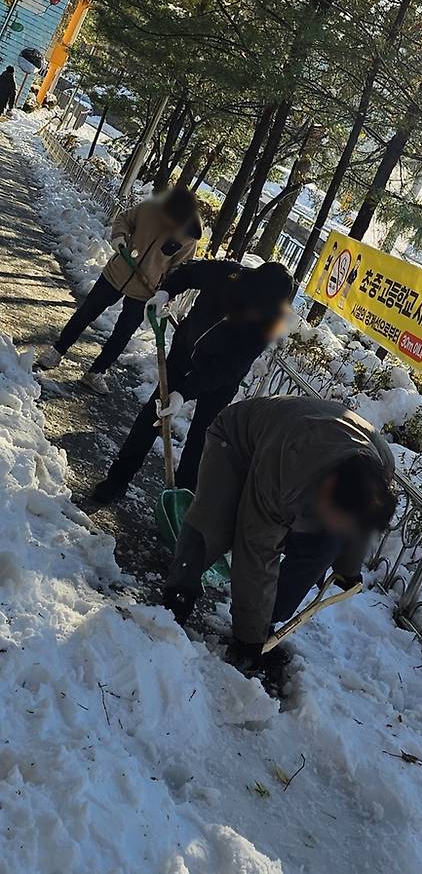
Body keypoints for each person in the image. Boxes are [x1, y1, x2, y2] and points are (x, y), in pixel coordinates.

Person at [163, 395, 397, 676]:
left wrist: (348, 568)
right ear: (328, 488)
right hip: (238, 442)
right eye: (338, 517)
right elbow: (257, 549)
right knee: (216, 521)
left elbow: (357, 525)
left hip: (303, 445)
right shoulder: (288, 469)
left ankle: (267, 620)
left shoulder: (378, 472)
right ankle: (180, 590)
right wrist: (248, 639)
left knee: (324, 545)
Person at [90, 259, 294, 503]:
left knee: (202, 437)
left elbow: (230, 369)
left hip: (218, 379)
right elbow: (188, 272)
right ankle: (117, 480)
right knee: (152, 416)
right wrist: (164, 293)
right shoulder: (228, 275)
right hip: (184, 355)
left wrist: (183, 393)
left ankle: (184, 498)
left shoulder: (267, 323)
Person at [37, 185, 202, 393]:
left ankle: (96, 372)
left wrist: (166, 292)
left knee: (123, 332)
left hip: (145, 290)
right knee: (87, 312)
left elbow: (178, 270)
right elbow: (124, 219)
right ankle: (57, 350)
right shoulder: (149, 209)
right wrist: (119, 238)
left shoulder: (188, 237)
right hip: (117, 272)